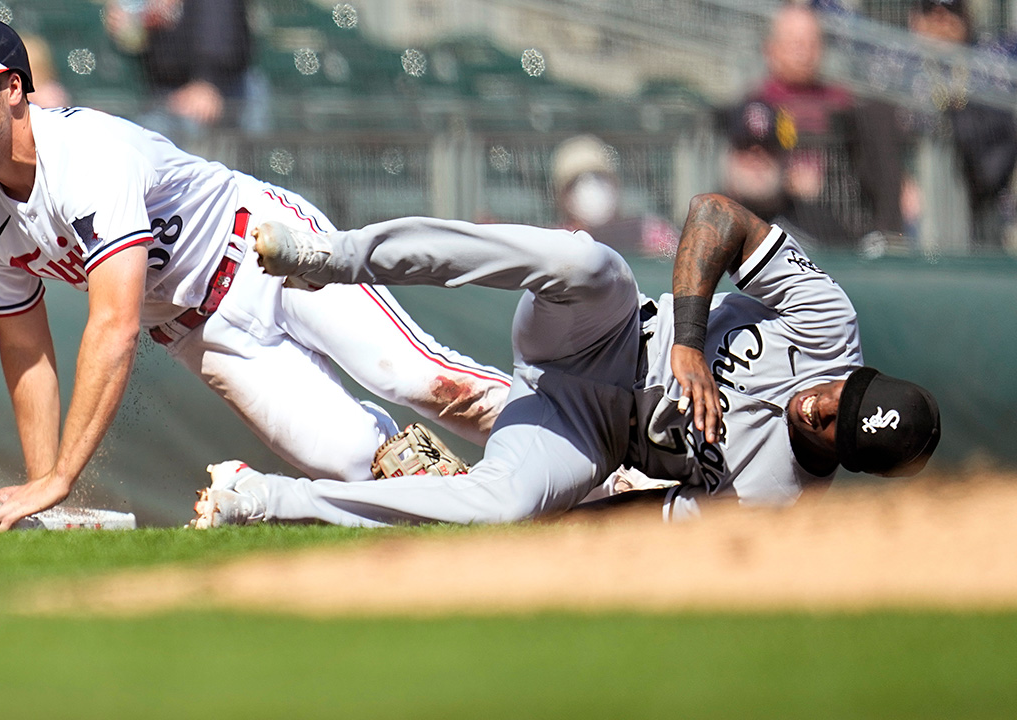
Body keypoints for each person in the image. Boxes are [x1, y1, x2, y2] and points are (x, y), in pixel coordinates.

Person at [0, 16, 511, 530]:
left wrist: (63, 477)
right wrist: (38, 486)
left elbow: (113, 326)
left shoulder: (84, 156)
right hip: (199, 332)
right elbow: (24, 344)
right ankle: (511, 513)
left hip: (266, 252)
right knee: (353, 459)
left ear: (12, 89)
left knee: (423, 379)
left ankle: (594, 454)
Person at [189, 192, 940, 528]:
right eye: (844, 394)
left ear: (845, 460)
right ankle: (339, 255)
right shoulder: (826, 324)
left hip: (578, 432)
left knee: (502, 507)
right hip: (602, 334)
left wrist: (554, 520)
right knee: (589, 262)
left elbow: (649, 520)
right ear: (859, 375)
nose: (819, 407)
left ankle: (266, 502)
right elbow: (718, 215)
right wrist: (687, 339)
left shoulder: (777, 496)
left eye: (835, 429)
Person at [740, 3, 907, 241]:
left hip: (843, 216)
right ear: (771, 49)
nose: (805, 53)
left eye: (812, 44)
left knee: (879, 112)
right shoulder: (756, 104)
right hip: (782, 219)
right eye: (796, 44)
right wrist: (785, 179)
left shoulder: (842, 102)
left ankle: (887, 240)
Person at [907, 0, 1017, 250]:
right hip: (917, 200)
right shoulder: (895, 63)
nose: (941, 22)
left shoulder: (989, 61)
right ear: (915, 19)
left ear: (965, 18)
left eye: (950, 13)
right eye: (931, 12)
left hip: (983, 199)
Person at [102, 0, 266, 137]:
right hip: (168, 91)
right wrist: (130, 27)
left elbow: (220, 26)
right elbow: (139, 43)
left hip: (223, 88)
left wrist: (208, 81)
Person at [721, 100, 852, 248]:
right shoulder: (708, 223)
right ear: (729, 154)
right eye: (745, 145)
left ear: (786, 157)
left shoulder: (822, 228)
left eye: (768, 146)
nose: (757, 157)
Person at [551, 134, 678, 257]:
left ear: (616, 184)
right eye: (576, 182)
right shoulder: (555, 242)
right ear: (562, 196)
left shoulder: (650, 233)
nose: (592, 188)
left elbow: (681, 264)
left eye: (600, 177)